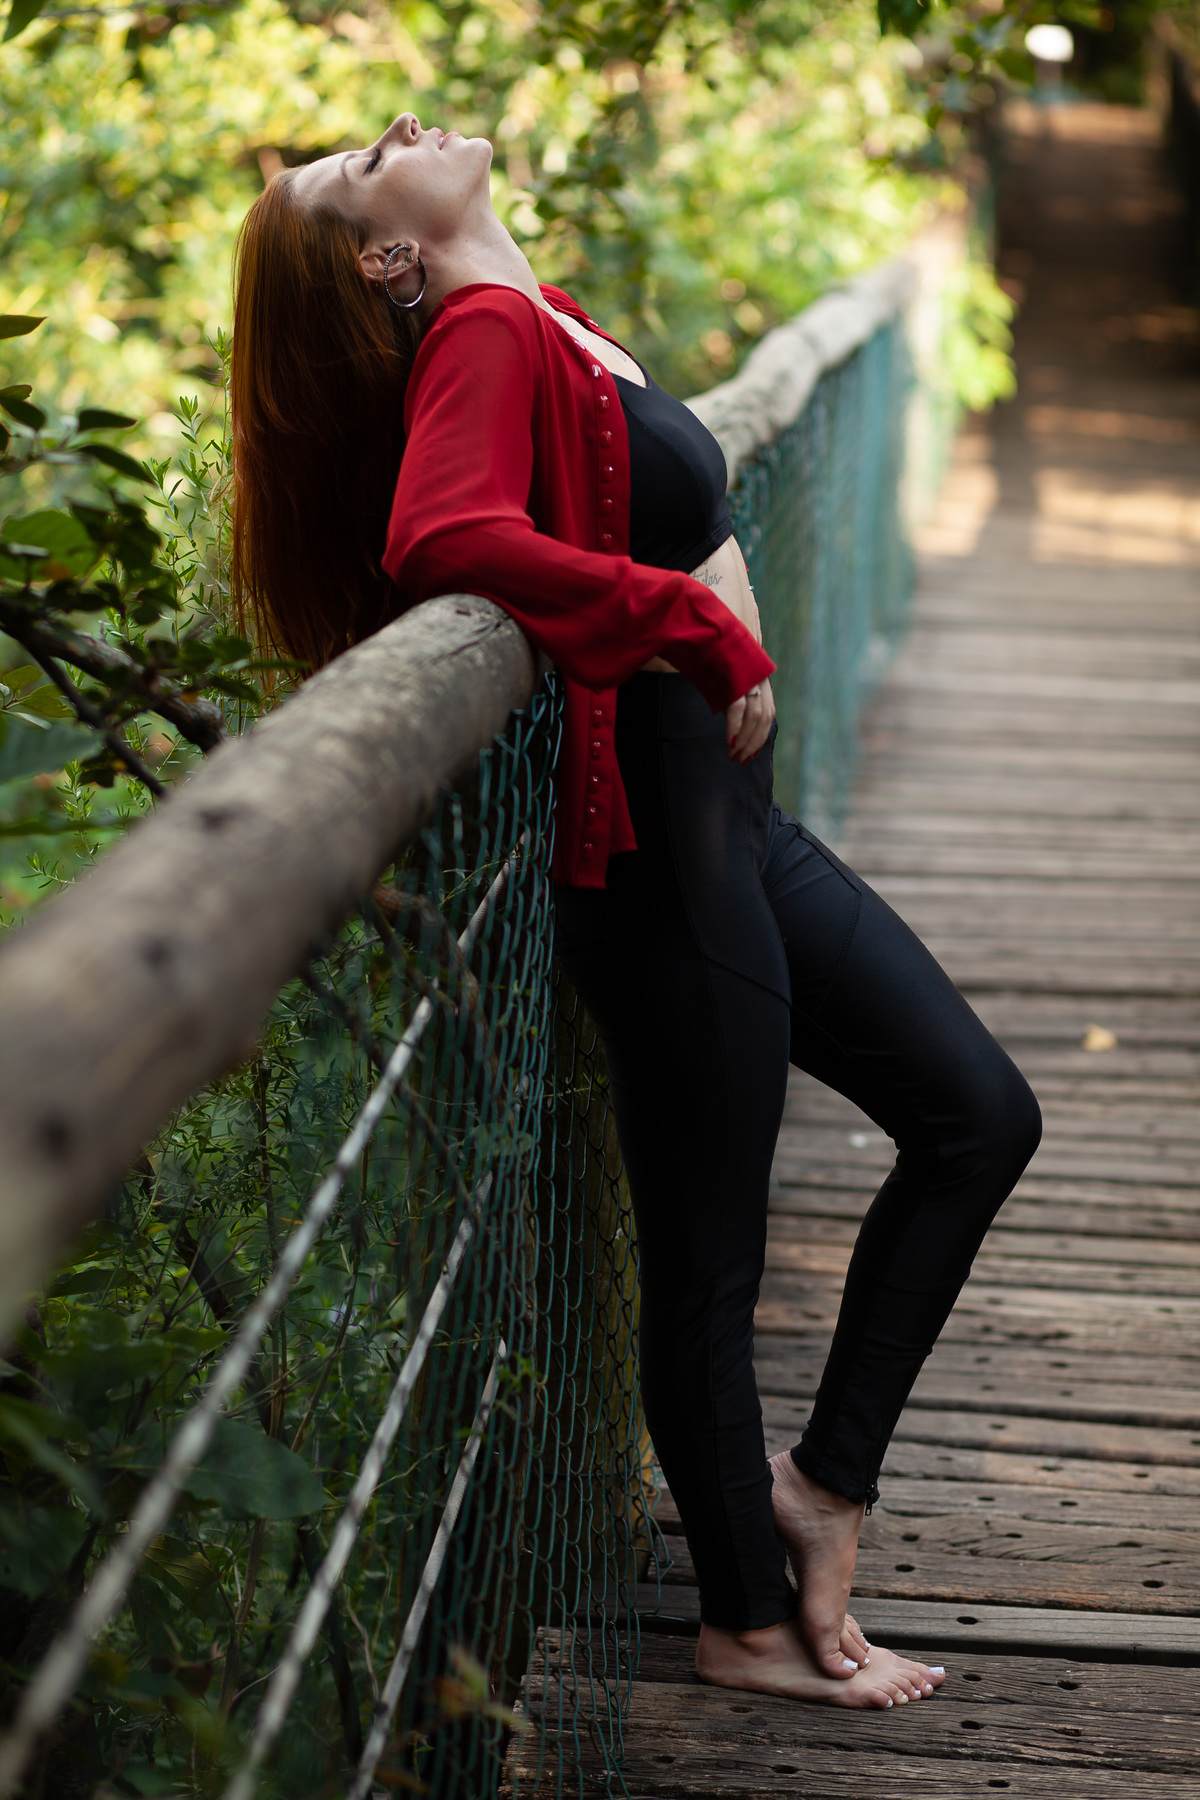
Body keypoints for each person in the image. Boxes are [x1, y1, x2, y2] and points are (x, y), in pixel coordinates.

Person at [230, 112, 1042, 1712]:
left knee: (978, 1115)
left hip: (730, 828)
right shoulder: (479, 334)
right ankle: (744, 1622)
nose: (394, 130)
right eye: (357, 170)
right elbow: (441, 532)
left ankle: (821, 1487)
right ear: (386, 257)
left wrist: (696, 587)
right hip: (660, 849)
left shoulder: (536, 317)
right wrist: (695, 618)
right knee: (709, 1256)